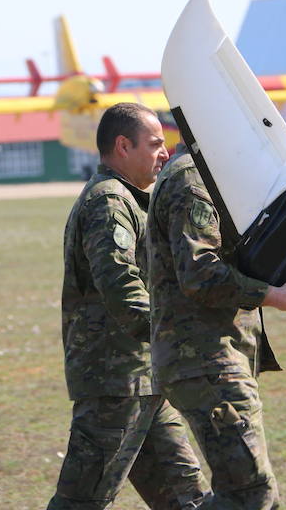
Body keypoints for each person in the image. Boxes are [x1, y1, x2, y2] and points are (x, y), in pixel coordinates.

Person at [48, 104, 209, 509]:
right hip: (116, 383)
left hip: (144, 379)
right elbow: (121, 285)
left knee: (186, 498)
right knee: (82, 501)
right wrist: (173, 337)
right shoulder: (109, 202)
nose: (165, 153)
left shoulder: (130, 199)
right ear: (123, 146)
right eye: (155, 144)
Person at [146, 144, 286, 509]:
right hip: (205, 360)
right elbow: (199, 273)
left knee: (255, 495)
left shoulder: (207, 170)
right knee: (249, 495)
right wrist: (273, 295)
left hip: (212, 358)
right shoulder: (192, 176)